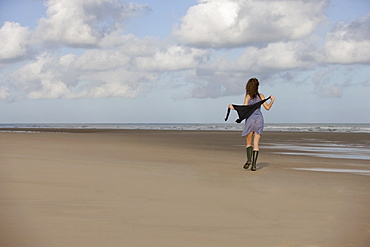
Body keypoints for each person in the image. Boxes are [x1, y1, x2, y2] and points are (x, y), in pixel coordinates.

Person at [228, 78, 275, 171]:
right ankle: (254, 165)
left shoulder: (248, 96)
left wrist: (232, 107)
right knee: (256, 143)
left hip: (250, 119)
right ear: (257, 86)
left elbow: (245, 108)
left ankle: (249, 159)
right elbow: (268, 108)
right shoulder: (261, 96)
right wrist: (272, 100)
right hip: (259, 119)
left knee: (249, 143)